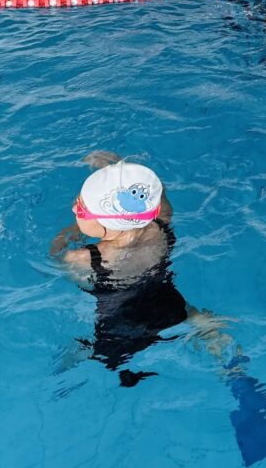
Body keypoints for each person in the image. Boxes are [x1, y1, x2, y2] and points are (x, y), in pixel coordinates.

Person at [50, 154, 189, 386]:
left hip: (121, 324)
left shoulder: (85, 258)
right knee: (184, 314)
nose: (74, 207)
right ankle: (202, 324)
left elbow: (55, 260)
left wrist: (70, 231)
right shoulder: (162, 222)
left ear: (106, 222)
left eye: (82, 209)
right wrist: (116, 171)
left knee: (103, 356)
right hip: (169, 305)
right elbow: (156, 192)